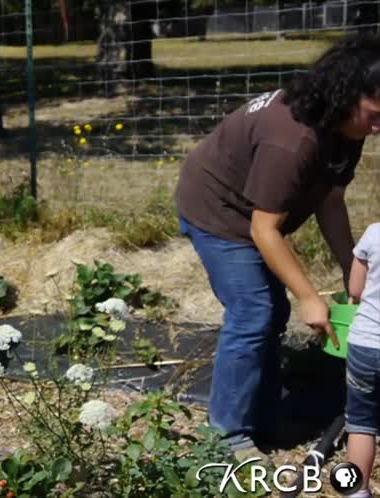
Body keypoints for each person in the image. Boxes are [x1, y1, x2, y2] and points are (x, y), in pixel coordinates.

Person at [174, 33, 380, 459]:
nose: (379, 127)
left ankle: (264, 418)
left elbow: (331, 200)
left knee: (271, 313)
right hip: (218, 212)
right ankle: (227, 436)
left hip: (256, 218)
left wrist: (350, 268)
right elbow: (264, 229)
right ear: (346, 95)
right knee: (254, 312)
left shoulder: (348, 125)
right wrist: (308, 296)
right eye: (375, 115)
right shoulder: (293, 138)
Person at [345, 223, 380, 498]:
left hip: (365, 344)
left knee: (361, 424)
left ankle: (357, 492)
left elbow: (355, 290)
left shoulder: (374, 233)